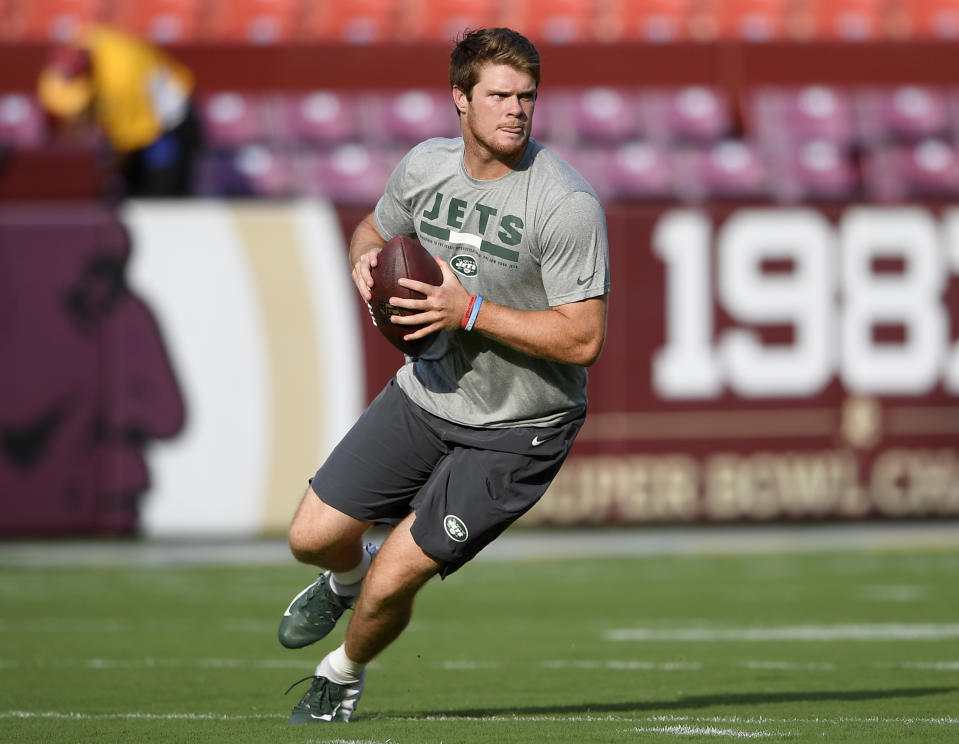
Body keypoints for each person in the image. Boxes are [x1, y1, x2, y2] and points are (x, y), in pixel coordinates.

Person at [278, 27, 610, 723]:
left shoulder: (563, 202)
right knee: (309, 538)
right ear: (459, 98)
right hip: (428, 392)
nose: (515, 110)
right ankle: (343, 574)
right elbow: (372, 230)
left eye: (526, 97)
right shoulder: (424, 167)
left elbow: (582, 340)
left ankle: (342, 672)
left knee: (397, 574)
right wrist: (363, 259)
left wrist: (472, 310)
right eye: (498, 96)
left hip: (518, 429)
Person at [0, 204, 185, 533]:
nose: (98, 285)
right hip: (53, 487)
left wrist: (108, 406)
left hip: (115, 488)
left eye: (109, 271)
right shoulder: (41, 322)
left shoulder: (133, 316)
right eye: (94, 270)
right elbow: (18, 419)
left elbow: (169, 415)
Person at [36, 24, 202, 198]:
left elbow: (136, 135)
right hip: (140, 123)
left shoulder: (121, 80)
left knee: (154, 199)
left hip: (169, 125)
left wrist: (110, 171)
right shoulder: (86, 42)